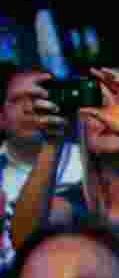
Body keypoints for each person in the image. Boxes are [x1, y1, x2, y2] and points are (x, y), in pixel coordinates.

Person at [11, 67, 119, 262]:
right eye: (97, 104)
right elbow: (24, 242)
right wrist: (52, 143)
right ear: (81, 125)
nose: (108, 117)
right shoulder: (75, 203)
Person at [0, 67, 84, 263]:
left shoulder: (89, 163)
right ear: (1, 117)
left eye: (38, 98)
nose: (28, 108)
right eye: (16, 100)